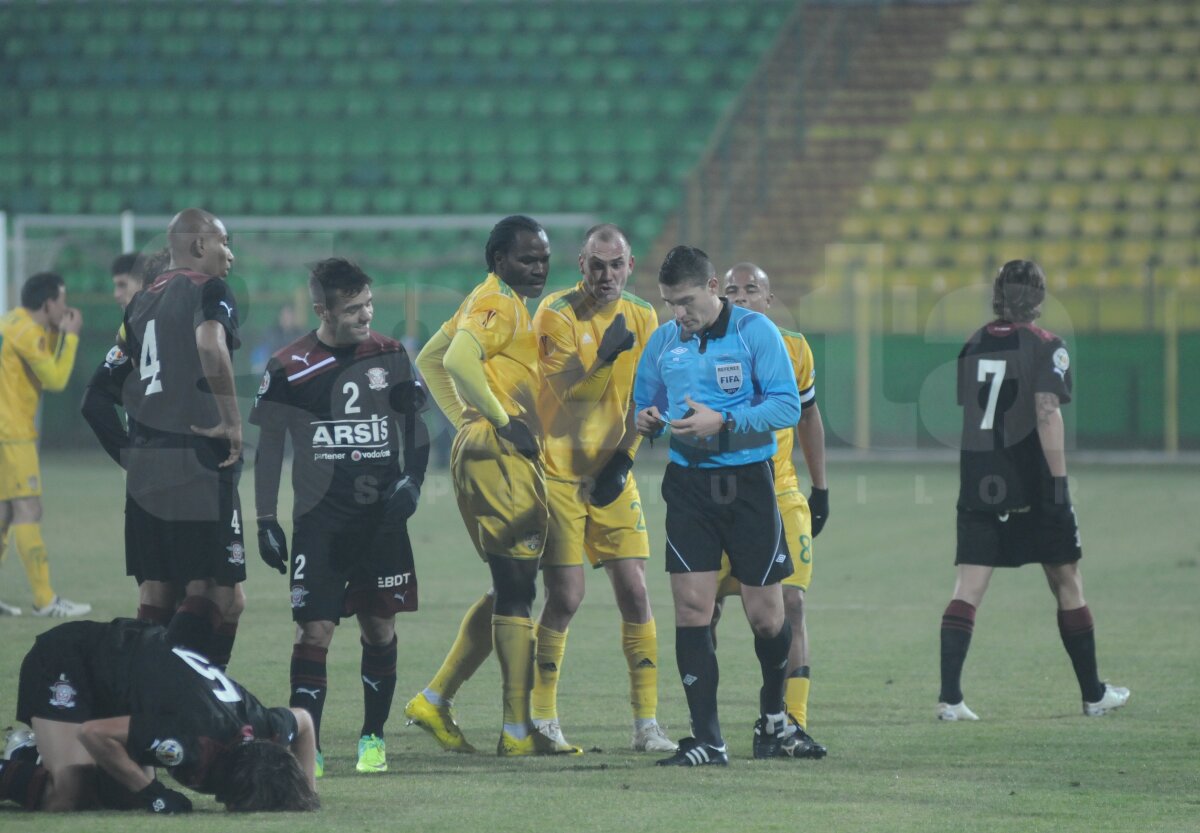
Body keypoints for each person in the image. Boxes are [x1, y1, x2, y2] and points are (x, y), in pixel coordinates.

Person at [249, 258, 430, 778]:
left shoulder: (392, 355)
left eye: (369, 304)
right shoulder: (289, 365)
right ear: (321, 309)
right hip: (320, 523)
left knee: (379, 628)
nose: (365, 315)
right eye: (353, 309)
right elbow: (269, 448)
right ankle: (313, 745)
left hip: (381, 522)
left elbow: (415, 427)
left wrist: (413, 483)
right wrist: (265, 519)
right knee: (314, 633)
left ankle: (373, 739)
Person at [938, 259, 1130, 721]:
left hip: (980, 482)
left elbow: (974, 410)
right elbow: (1046, 412)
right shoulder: (1049, 347)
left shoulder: (974, 342)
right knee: (1067, 582)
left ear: (998, 295)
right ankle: (1092, 694)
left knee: (968, 588)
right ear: (1040, 300)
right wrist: (1059, 484)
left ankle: (950, 699)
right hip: (1035, 486)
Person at [404, 215, 566, 757]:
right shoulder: (497, 304)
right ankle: (517, 732)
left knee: (510, 586)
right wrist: (497, 420)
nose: (539, 267)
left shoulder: (488, 298)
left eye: (543, 257)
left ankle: (435, 699)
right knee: (519, 590)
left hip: (490, 449)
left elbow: (428, 357)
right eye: (527, 258)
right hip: (500, 454)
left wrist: (466, 418)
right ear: (499, 260)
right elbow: (453, 360)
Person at [633, 245, 801, 766]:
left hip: (749, 482)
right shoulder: (664, 342)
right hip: (688, 486)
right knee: (691, 609)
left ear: (711, 289)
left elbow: (786, 404)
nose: (676, 314)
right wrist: (647, 418)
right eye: (667, 303)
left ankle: (773, 718)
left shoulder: (756, 333)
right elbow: (643, 400)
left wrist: (724, 422)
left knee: (766, 617)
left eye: (684, 302)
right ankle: (708, 740)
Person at [524, 224, 675, 754]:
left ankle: (647, 725)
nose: (607, 275)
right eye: (597, 265)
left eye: (616, 265)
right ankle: (542, 720)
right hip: (558, 470)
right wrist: (606, 356)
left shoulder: (643, 315)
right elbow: (569, 398)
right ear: (580, 266)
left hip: (611, 470)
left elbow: (645, 395)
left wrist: (625, 459)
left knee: (636, 592)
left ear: (631, 266)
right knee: (566, 596)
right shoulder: (555, 314)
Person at [0, 618, 318, 813]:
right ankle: (24, 755)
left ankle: (35, 753)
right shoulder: (192, 740)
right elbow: (94, 733)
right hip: (71, 658)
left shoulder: (268, 727)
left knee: (124, 796)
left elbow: (303, 720)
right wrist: (153, 794)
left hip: (125, 675)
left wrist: (306, 791)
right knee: (67, 794)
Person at [710, 262, 828, 758]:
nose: (740, 297)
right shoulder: (705, 344)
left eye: (750, 289)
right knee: (705, 608)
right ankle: (706, 725)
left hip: (778, 492)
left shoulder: (794, 347)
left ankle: (789, 722)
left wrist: (820, 486)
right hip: (717, 492)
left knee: (793, 607)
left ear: (769, 298)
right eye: (731, 290)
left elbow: (808, 416)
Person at [118, 209, 245, 667]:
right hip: (197, 455)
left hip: (149, 461)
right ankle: (172, 693)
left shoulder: (139, 303)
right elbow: (210, 344)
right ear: (198, 246)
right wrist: (231, 421)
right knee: (217, 591)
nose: (229, 254)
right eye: (224, 242)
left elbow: (131, 377)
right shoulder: (207, 288)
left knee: (161, 591)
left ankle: (150, 702)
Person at [0, 271, 90, 618]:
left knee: (5, 515)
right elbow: (55, 378)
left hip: (7, 431)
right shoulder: (26, 333)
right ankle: (45, 600)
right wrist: (70, 338)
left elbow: (42, 365)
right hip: (12, 434)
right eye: (62, 300)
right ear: (48, 302)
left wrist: (55, 333)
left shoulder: (15, 323)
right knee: (28, 510)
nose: (66, 307)